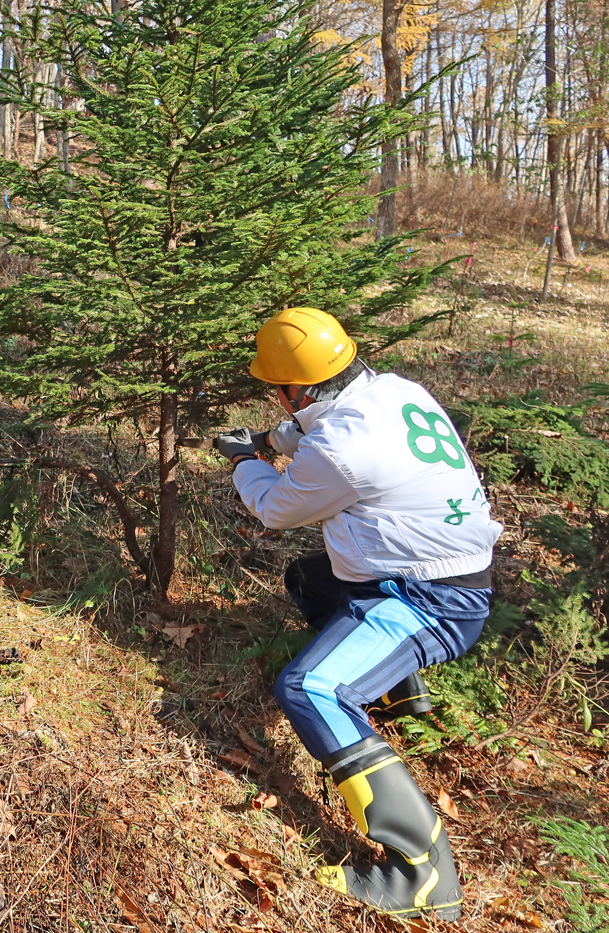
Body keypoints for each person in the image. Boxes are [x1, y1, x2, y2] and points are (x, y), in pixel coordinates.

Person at [213, 307, 502, 920]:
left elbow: (275, 508)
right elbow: (316, 431)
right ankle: (398, 690)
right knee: (311, 580)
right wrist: (269, 441)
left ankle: (423, 874)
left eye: (277, 389)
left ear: (294, 387)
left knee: (310, 688)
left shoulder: (346, 450)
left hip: (432, 599)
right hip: (441, 567)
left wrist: (244, 462)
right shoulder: (394, 390)